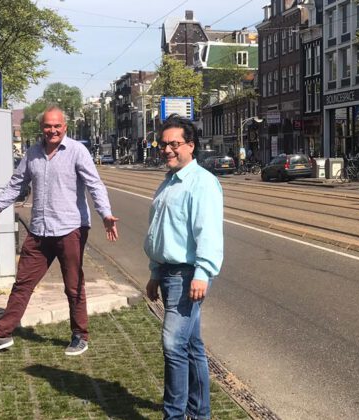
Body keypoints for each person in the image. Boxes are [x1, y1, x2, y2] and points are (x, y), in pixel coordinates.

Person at [0, 106, 120, 357]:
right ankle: (2, 335)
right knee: (22, 284)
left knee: (73, 285)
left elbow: (95, 185)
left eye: (57, 126)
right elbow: (15, 186)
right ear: (42, 127)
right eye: (48, 126)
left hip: (70, 228)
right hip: (39, 230)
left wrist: (105, 213)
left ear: (65, 127)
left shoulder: (76, 151)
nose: (52, 130)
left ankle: (80, 335)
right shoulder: (32, 153)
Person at [144, 115, 224, 420]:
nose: (167, 149)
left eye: (174, 144)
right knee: (190, 346)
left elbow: (208, 232)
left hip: (187, 274)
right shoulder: (169, 182)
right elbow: (160, 232)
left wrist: (202, 273)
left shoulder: (202, 182)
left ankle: (174, 415)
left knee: (173, 344)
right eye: (163, 144)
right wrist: (154, 273)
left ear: (190, 146)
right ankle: (199, 413)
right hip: (167, 273)